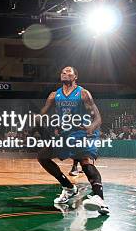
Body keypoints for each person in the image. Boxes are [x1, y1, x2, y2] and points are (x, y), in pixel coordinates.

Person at [35, 66, 109, 215]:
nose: (65, 73)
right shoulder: (54, 95)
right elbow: (41, 114)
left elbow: (98, 118)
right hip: (66, 134)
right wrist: (40, 119)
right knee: (43, 157)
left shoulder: (83, 94)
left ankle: (100, 199)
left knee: (85, 160)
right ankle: (68, 188)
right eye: (63, 71)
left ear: (75, 76)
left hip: (83, 132)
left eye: (69, 71)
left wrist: (90, 128)